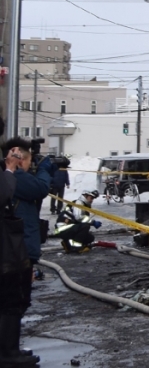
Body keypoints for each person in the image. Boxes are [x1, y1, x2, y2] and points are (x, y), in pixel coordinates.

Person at [1, 144, 37, 365]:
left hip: (11, 242)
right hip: (7, 246)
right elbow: (5, 194)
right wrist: (11, 170)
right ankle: (7, 353)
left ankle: (10, 349)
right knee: (11, 299)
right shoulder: (9, 173)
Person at [9, 140, 49, 270]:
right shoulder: (15, 176)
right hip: (19, 250)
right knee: (18, 288)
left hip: (15, 249)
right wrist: (43, 169)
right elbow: (40, 189)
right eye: (29, 161)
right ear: (20, 161)